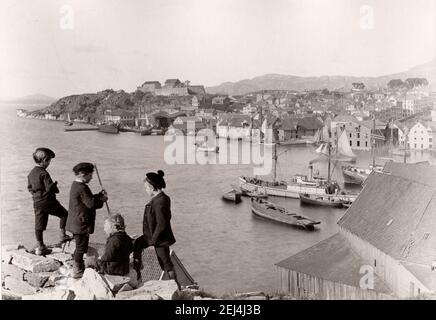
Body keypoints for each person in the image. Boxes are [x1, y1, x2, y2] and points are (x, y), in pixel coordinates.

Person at [132, 170, 180, 288]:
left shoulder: (160, 201)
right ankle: (137, 274)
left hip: (160, 238)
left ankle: (176, 287)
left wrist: (153, 240)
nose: (146, 190)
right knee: (137, 244)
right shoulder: (160, 198)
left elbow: (162, 224)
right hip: (152, 235)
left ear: (152, 187)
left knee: (165, 263)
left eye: (146, 188)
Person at [66, 162, 108, 279]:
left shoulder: (76, 185)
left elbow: (87, 199)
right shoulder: (82, 188)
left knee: (80, 246)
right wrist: (102, 200)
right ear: (82, 174)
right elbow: (90, 204)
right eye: (90, 175)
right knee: (81, 248)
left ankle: (77, 266)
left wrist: (98, 195)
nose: (92, 177)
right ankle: (77, 270)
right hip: (81, 224)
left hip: (75, 222)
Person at [27, 147, 72, 256]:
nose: (49, 163)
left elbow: (29, 188)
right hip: (48, 201)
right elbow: (50, 188)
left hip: (37, 201)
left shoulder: (31, 173)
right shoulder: (44, 173)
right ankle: (63, 235)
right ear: (44, 161)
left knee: (39, 224)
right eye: (49, 161)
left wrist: (37, 195)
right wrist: (55, 186)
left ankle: (41, 246)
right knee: (64, 214)